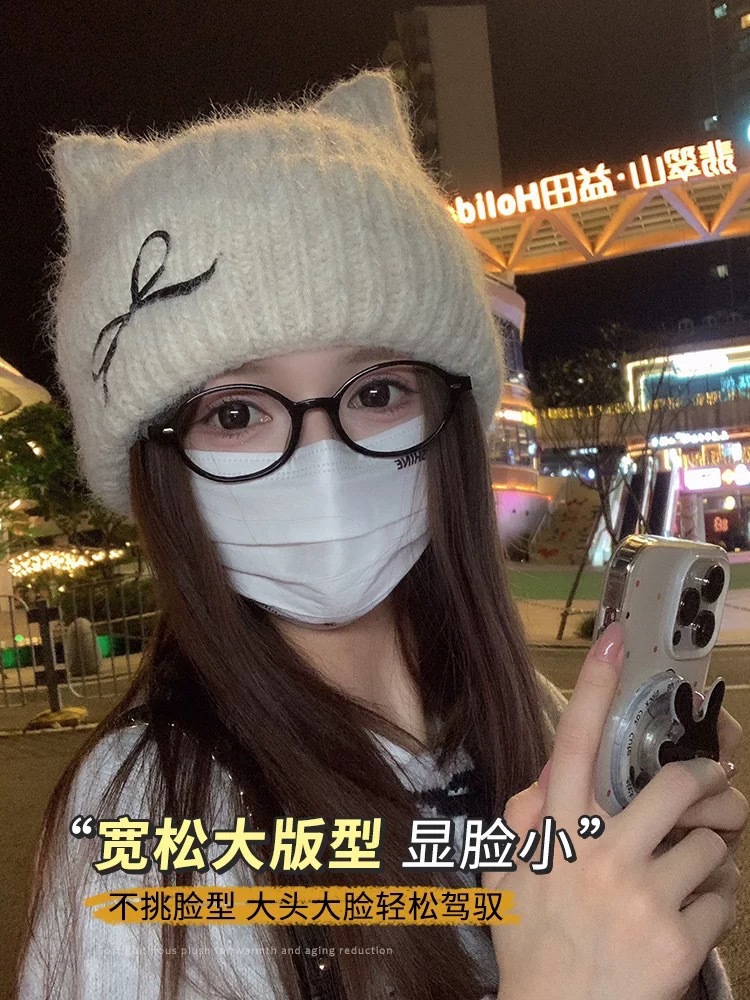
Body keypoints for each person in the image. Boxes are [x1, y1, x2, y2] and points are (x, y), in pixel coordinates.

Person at [14, 69, 746, 1000]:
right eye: (235, 413)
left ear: (449, 416)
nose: (322, 458)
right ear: (156, 467)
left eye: (377, 391)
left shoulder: (531, 718)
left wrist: (656, 931)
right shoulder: (151, 819)